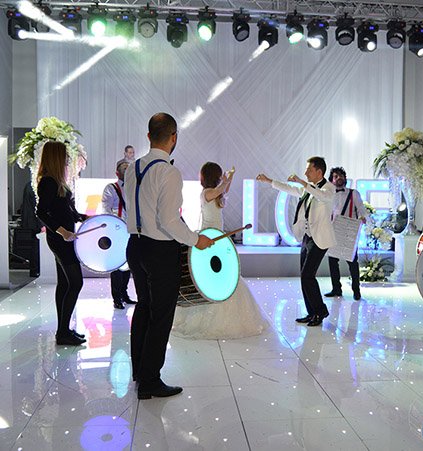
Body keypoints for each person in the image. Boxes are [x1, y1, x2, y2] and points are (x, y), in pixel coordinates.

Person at [124, 113, 214, 400]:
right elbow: (169, 220)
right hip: (159, 250)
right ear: (173, 137)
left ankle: (140, 372)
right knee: (161, 315)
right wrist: (196, 240)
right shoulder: (169, 172)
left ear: (148, 136)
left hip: (135, 246)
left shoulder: (132, 168)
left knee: (144, 308)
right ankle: (150, 380)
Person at [172, 162, 267, 339]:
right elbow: (221, 189)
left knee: (224, 273)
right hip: (208, 238)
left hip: (218, 238)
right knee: (208, 276)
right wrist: (226, 179)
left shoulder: (215, 193)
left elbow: (224, 189)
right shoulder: (206, 193)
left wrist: (230, 177)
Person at [257, 156, 336, 327]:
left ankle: (320, 311)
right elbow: (289, 189)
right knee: (304, 276)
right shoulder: (308, 189)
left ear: (319, 171)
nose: (306, 173)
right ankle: (312, 312)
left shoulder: (329, 188)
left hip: (320, 239)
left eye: (309, 170)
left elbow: (322, 196)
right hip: (307, 237)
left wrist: (302, 182)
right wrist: (269, 181)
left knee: (308, 275)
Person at [35, 141, 88, 346]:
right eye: (64, 156)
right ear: (56, 157)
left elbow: (65, 210)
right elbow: (42, 212)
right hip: (60, 240)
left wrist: (82, 218)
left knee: (65, 283)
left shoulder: (56, 181)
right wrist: (63, 231)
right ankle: (63, 331)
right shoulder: (48, 182)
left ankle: (63, 331)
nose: (67, 160)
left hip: (63, 239)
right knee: (75, 283)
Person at [323, 167, 368, 301]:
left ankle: (356, 291)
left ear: (345, 178)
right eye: (336, 176)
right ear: (331, 180)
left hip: (349, 232)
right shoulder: (328, 195)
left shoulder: (354, 193)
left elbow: (361, 208)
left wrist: (362, 217)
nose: (339, 178)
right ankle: (336, 289)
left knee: (352, 262)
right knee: (332, 262)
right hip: (334, 231)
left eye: (341, 175)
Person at [101, 160, 136, 310]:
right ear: (117, 173)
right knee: (116, 265)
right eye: (124, 169)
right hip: (116, 232)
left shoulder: (135, 187)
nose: (127, 171)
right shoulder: (111, 188)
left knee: (128, 264)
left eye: (129, 168)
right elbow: (106, 209)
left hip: (131, 230)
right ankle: (116, 298)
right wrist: (112, 226)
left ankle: (124, 294)